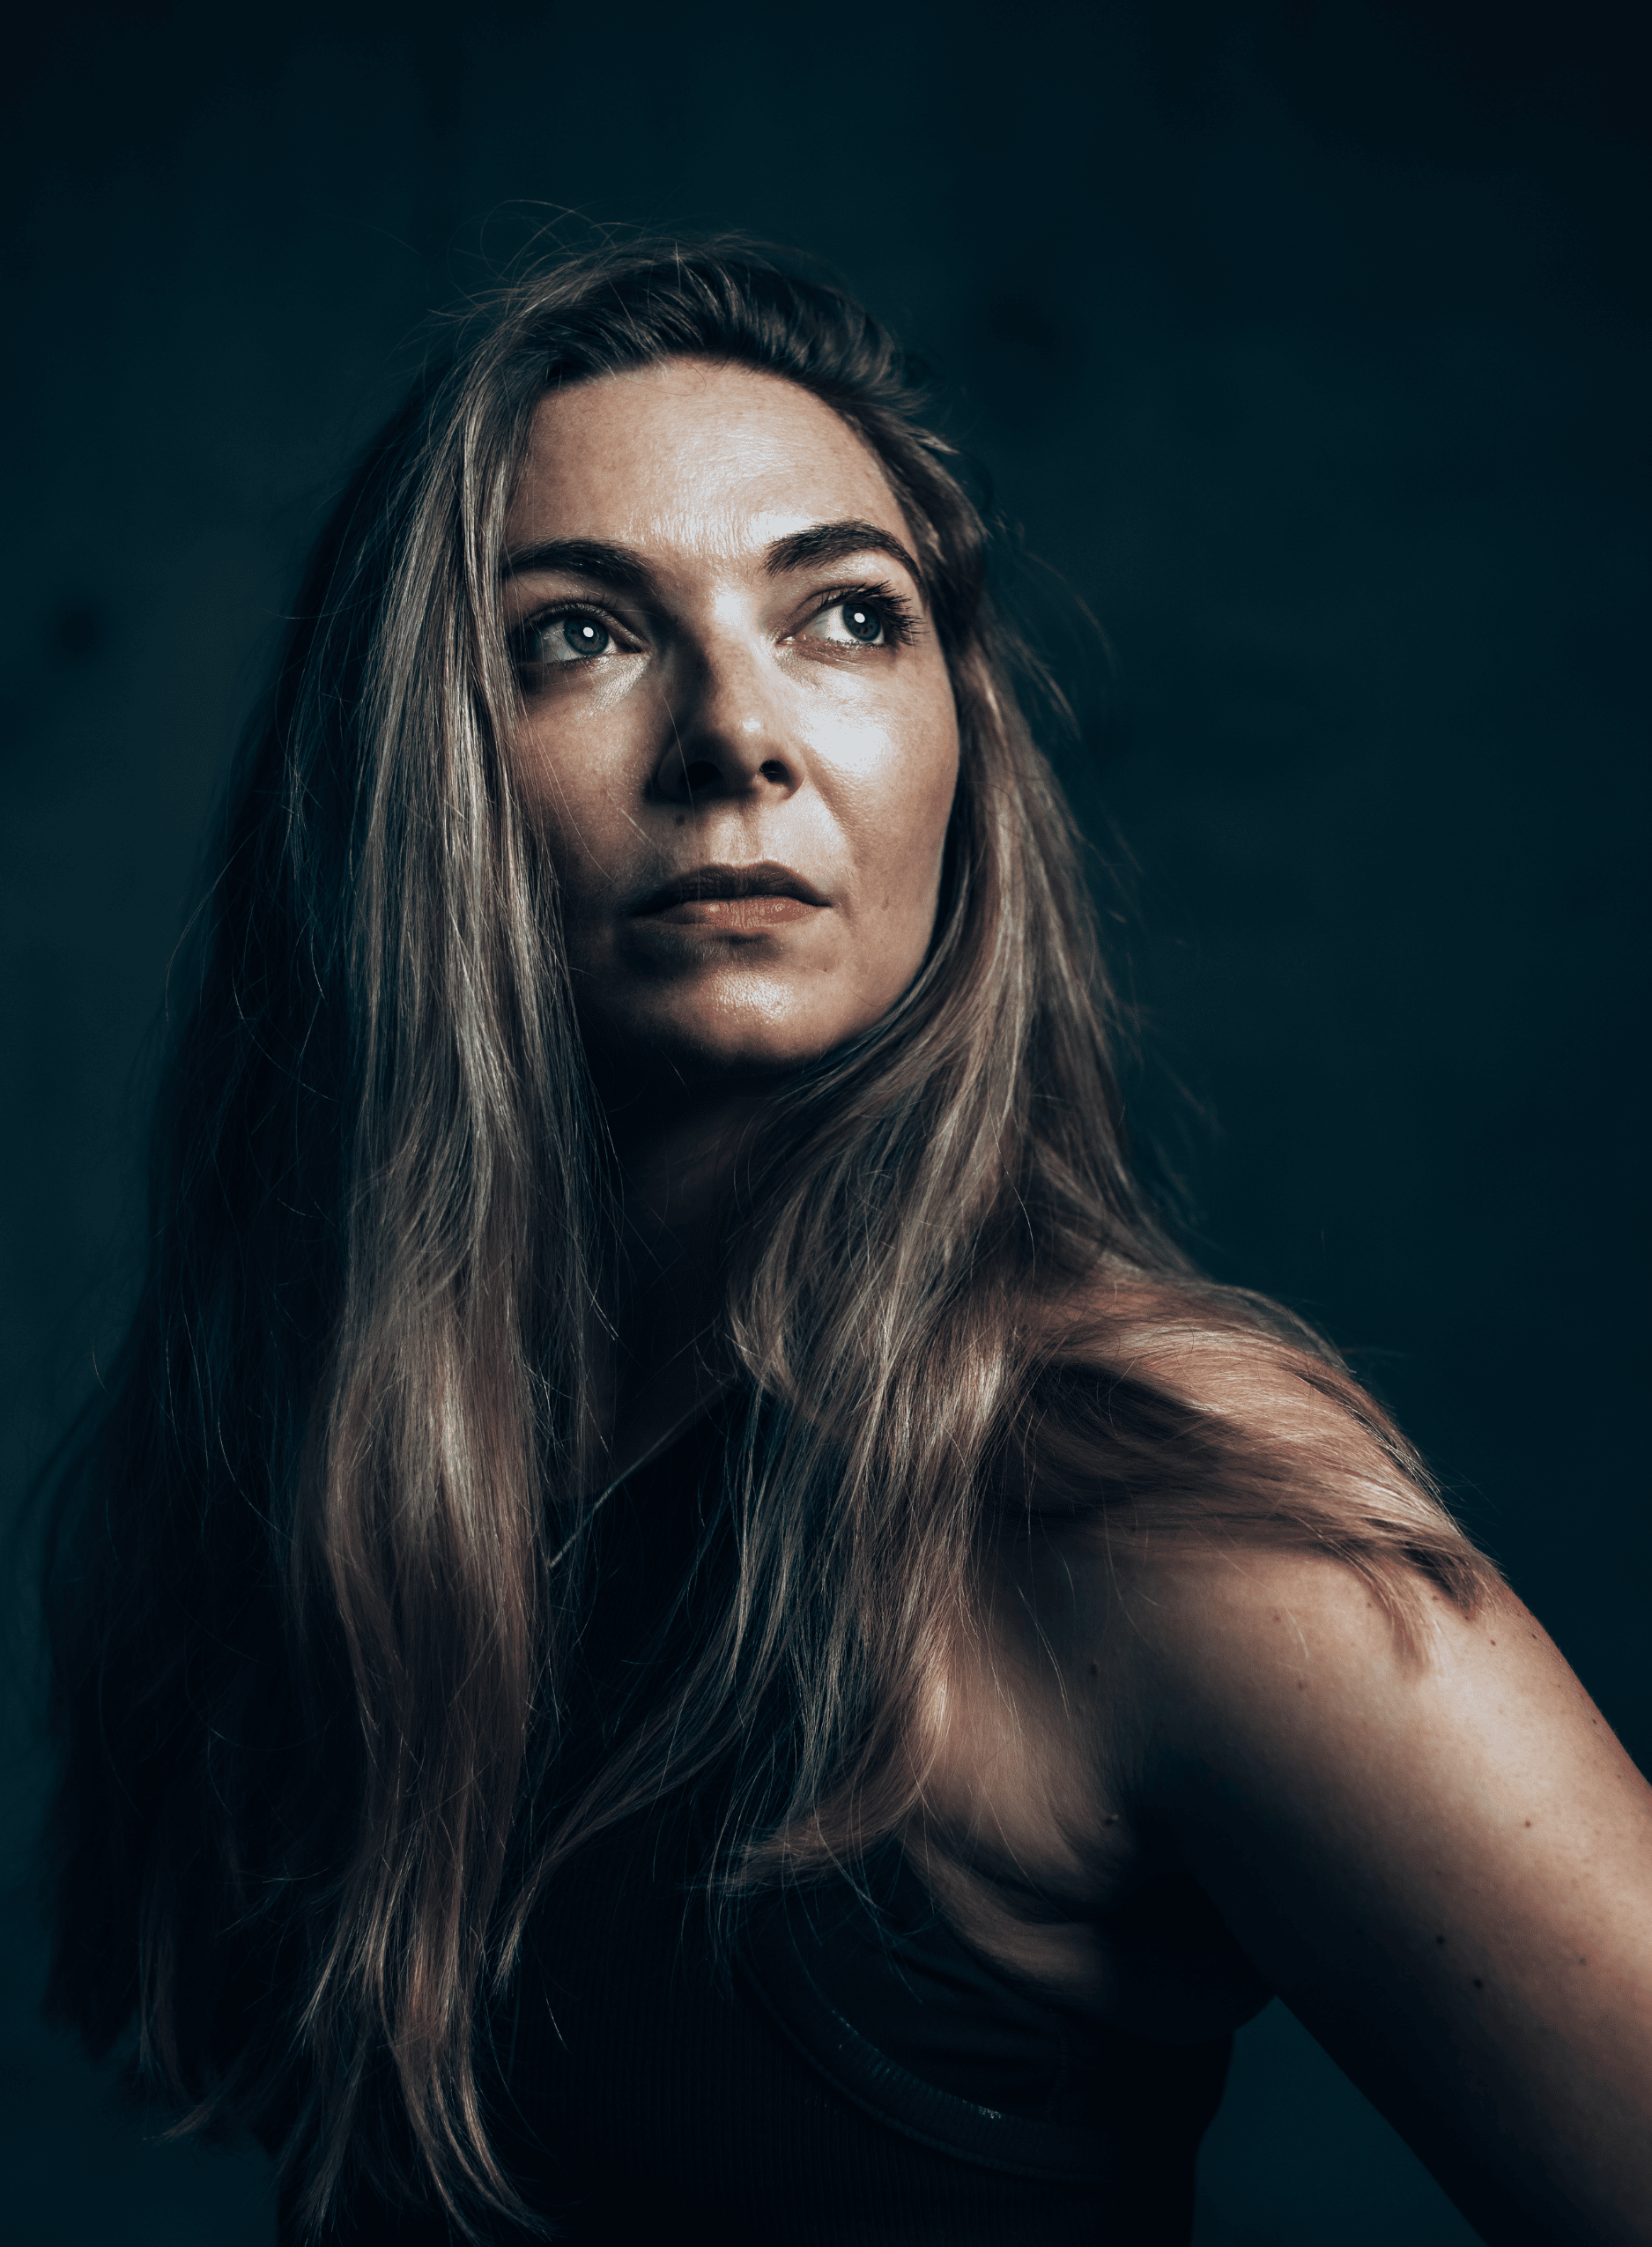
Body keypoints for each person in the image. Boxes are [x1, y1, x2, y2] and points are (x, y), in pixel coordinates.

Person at [41, 241, 1652, 2247]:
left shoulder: (1134, 1491)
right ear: (406, 779)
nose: (738, 731)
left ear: (958, 753)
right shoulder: (335, 1508)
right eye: (576, 637)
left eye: (849, 619)